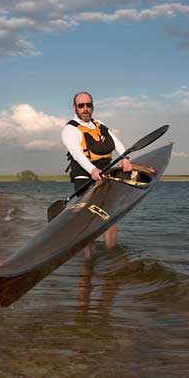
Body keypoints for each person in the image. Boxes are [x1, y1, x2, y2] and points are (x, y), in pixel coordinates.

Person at [61, 91, 132, 258]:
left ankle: (111, 257)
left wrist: (125, 158)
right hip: (84, 176)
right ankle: (87, 261)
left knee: (109, 217)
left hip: (105, 174)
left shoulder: (99, 124)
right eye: (81, 105)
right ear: (75, 108)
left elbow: (116, 143)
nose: (85, 109)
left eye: (88, 105)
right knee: (89, 219)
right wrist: (92, 170)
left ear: (92, 106)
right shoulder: (69, 130)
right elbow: (77, 154)